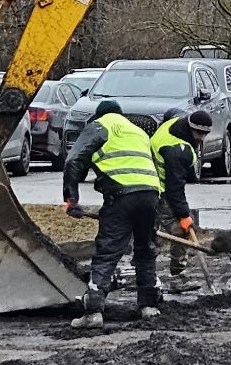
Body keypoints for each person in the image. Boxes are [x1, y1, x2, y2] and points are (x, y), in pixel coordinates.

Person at [62, 99, 163, 329]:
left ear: (99, 116)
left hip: (121, 195)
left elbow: (74, 160)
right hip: (151, 195)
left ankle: (94, 312)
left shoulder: (100, 126)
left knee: (108, 252)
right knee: (145, 250)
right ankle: (149, 307)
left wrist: (71, 199)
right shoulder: (137, 131)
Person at [150, 109, 211, 285]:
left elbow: (169, 113)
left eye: (206, 133)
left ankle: (142, 270)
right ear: (190, 128)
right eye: (199, 133)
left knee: (147, 231)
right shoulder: (178, 151)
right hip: (160, 189)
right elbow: (174, 188)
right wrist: (184, 216)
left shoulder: (175, 122)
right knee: (180, 230)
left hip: (147, 184)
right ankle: (177, 275)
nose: (202, 138)